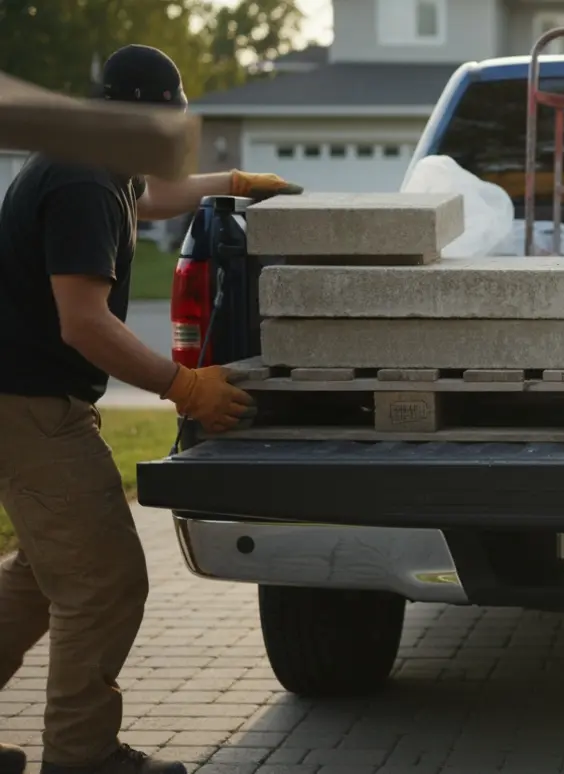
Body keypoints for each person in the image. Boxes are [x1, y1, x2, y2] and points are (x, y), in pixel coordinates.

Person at [0, 45, 302, 774]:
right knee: (103, 580)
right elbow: (84, 322)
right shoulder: (82, 179)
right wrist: (185, 387)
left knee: (40, 579)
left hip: (21, 398)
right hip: (31, 407)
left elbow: (151, 199)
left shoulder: (94, 161)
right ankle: (82, 756)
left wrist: (229, 184)